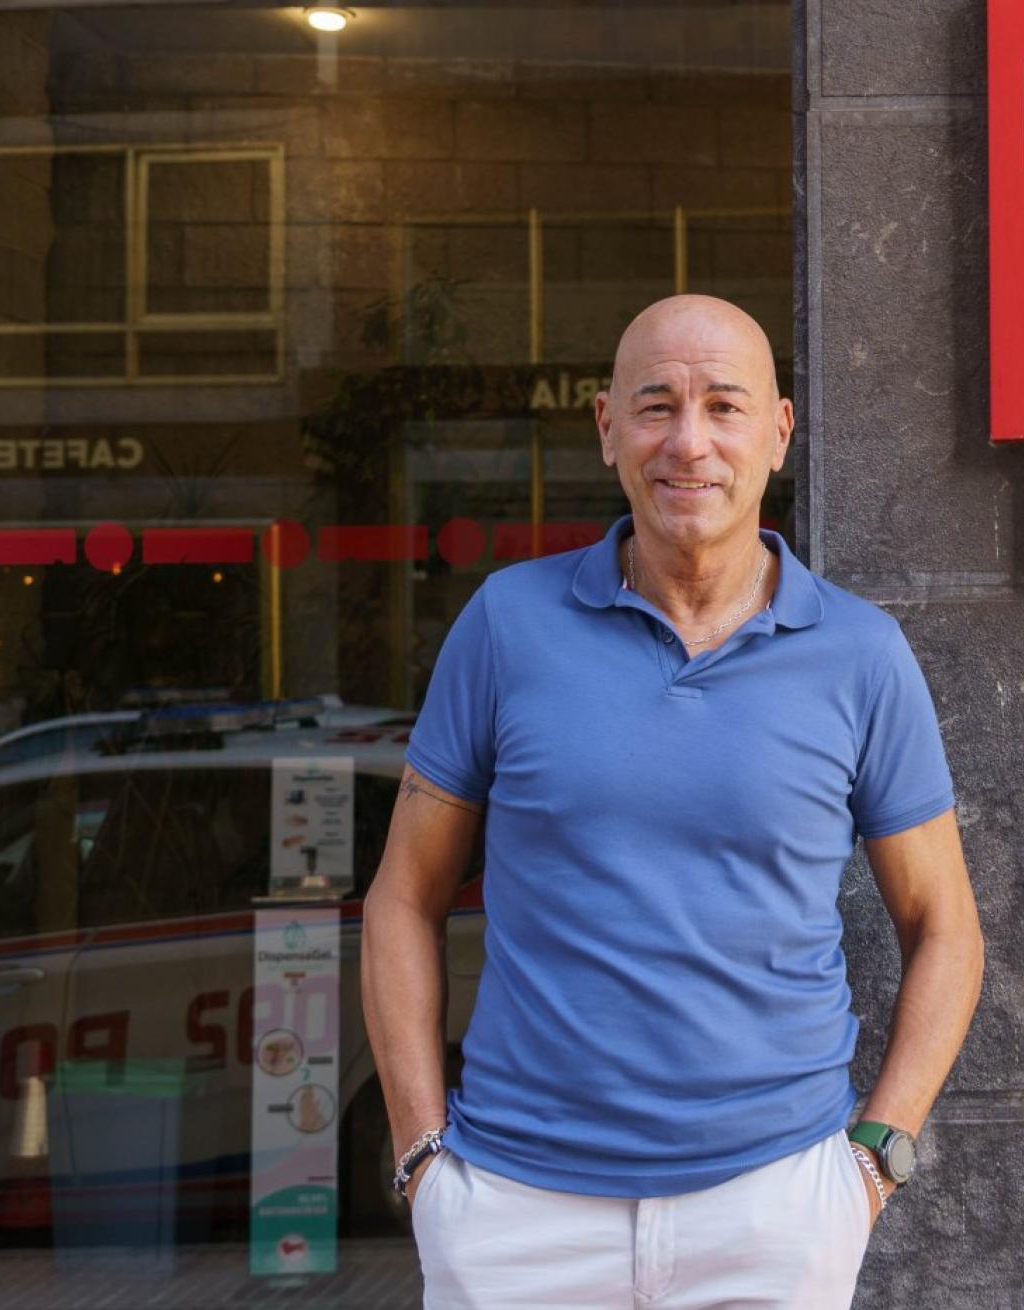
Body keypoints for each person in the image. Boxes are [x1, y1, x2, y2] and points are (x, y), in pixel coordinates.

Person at [361, 294, 984, 1309]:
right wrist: (423, 1158)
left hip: (775, 1202)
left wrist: (872, 1161)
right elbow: (402, 896)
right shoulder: (506, 626)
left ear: (778, 433)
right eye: (656, 405)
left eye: (724, 406)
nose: (688, 441)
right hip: (518, 1207)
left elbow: (945, 924)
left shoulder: (861, 655)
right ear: (606, 426)